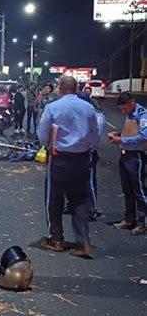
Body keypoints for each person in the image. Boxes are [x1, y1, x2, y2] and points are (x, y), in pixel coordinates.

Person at [37, 76, 99, 258]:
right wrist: (89, 149)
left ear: (60, 89)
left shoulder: (53, 107)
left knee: (54, 200)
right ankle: (82, 242)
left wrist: (49, 146)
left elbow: (42, 134)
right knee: (80, 200)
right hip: (81, 160)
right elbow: (95, 135)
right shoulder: (88, 108)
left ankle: (56, 239)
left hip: (59, 159)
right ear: (76, 88)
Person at [108, 92, 147, 236]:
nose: (123, 112)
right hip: (125, 155)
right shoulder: (130, 115)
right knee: (127, 190)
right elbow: (130, 132)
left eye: (125, 109)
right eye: (122, 110)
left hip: (136, 156)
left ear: (132, 102)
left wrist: (122, 140)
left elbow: (144, 135)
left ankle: (143, 222)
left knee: (139, 190)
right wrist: (119, 134)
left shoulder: (142, 115)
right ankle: (129, 219)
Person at [76, 86, 106, 219]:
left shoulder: (97, 116)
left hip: (88, 153)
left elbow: (95, 135)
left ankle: (92, 209)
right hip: (77, 152)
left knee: (89, 182)